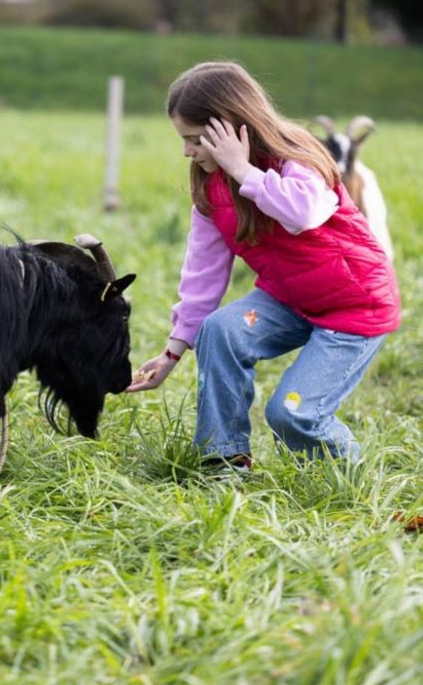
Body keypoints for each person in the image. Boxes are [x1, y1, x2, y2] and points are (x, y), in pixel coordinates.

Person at [127, 61, 401, 471]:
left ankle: (348, 472)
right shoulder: (210, 184)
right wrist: (173, 350)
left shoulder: (297, 154)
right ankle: (223, 460)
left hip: (354, 308)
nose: (186, 151)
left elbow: (304, 212)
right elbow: (203, 274)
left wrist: (243, 170)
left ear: (232, 128)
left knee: (290, 413)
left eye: (195, 139)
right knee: (219, 329)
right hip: (288, 300)